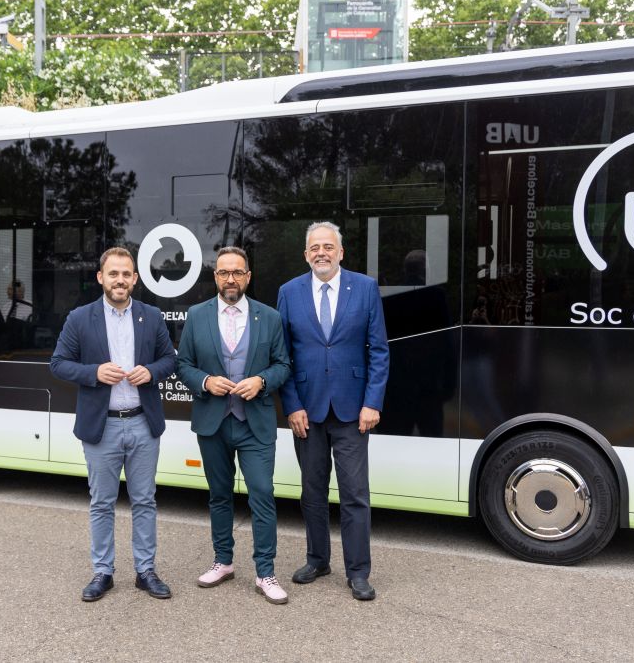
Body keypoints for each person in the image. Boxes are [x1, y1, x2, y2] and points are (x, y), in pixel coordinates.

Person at [50, 246, 176, 602]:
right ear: (101, 277)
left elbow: (170, 360)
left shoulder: (151, 316)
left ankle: (145, 571)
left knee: (145, 500)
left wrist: (151, 371)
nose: (120, 280)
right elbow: (58, 363)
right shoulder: (80, 318)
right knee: (102, 503)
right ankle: (102, 572)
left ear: (135, 279)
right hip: (101, 427)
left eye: (126, 274)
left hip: (142, 424)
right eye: (114, 273)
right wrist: (94, 372)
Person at [277, 222, 389, 601]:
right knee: (312, 492)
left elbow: (379, 351)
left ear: (341, 252)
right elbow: (282, 356)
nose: (321, 252)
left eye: (328, 246)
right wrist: (291, 405)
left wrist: (372, 402)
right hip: (306, 411)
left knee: (355, 495)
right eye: (314, 247)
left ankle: (358, 571)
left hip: (352, 410)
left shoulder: (366, 288)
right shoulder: (288, 292)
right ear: (306, 254)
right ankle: (317, 559)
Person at [176, 246, 291, 604]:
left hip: (254, 421)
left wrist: (261, 382)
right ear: (215, 277)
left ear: (248, 277)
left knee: (262, 495)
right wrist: (205, 381)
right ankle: (223, 561)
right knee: (219, 497)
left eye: (237, 272)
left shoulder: (269, 317)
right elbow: (183, 365)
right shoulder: (196, 315)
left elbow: (283, 365)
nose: (230, 278)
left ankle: (265, 572)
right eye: (224, 272)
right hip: (213, 421)